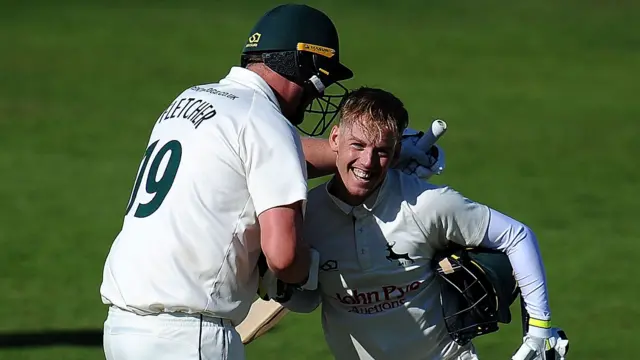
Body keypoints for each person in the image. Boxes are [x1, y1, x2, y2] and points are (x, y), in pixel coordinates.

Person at [99, 4, 359, 360]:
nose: (320, 91)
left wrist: (366, 153)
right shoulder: (267, 124)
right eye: (323, 79)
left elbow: (274, 155)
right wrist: (306, 274)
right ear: (305, 66)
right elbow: (282, 257)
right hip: (188, 338)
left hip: (123, 329)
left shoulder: (192, 99)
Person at [281, 87, 565, 360]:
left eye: (381, 151)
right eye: (358, 145)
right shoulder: (306, 216)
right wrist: (280, 284)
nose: (367, 162)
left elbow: (516, 236)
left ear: (395, 155)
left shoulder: (428, 204)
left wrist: (539, 329)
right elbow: (307, 302)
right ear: (334, 140)